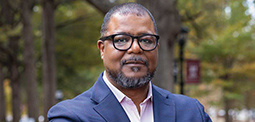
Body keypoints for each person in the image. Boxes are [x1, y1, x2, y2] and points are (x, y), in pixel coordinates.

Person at [48, 2, 212, 122]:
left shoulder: (191, 113)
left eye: (146, 40)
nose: (135, 48)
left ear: (157, 47)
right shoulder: (70, 116)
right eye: (121, 40)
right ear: (102, 49)